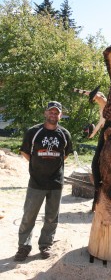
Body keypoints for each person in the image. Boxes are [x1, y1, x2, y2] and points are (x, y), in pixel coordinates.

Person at [14, 101, 73, 261]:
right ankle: (23, 247)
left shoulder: (64, 134)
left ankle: (45, 245)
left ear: (60, 115)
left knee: (51, 217)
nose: (53, 115)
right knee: (29, 216)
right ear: (45, 113)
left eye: (57, 112)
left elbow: (64, 155)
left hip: (56, 182)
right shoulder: (34, 132)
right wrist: (37, 166)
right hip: (36, 182)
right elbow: (25, 152)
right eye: (51, 112)